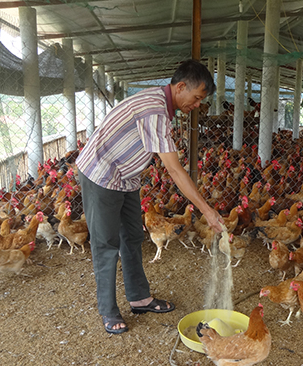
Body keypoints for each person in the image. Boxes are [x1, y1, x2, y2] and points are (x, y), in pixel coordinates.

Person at [76, 60, 224, 334]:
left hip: (125, 178)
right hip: (101, 174)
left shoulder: (162, 106)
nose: (197, 105)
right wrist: (206, 210)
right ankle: (108, 311)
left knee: (132, 235)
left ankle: (139, 297)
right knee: (106, 244)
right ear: (181, 87)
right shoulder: (155, 110)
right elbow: (175, 171)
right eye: (197, 98)